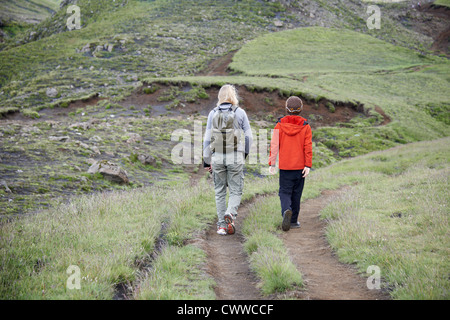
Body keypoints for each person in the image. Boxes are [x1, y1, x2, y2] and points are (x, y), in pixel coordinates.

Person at [203, 84, 253, 235]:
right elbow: (249, 136)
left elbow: (206, 139)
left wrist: (207, 160)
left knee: (219, 192)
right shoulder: (240, 112)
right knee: (236, 190)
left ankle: (221, 227)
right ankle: (230, 213)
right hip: (235, 156)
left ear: (219, 97)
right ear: (233, 96)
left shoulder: (212, 113)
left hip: (217, 156)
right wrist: (244, 154)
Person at [268, 96, 312, 231]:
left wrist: (272, 163)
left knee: (284, 192)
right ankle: (293, 221)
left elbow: (274, 145)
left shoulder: (279, 125)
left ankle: (286, 210)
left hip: (285, 167)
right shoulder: (306, 127)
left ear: (286, 109)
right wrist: (308, 165)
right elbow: (308, 146)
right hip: (300, 168)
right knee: (297, 194)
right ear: (301, 109)